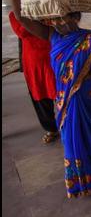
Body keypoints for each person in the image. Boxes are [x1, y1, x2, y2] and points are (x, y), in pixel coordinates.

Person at [9, 0, 91, 198]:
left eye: (67, 17)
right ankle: (85, 181)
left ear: (76, 17)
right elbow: (22, 18)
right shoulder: (53, 37)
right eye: (58, 18)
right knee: (74, 144)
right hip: (68, 106)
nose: (62, 22)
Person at [8, 11, 59, 144]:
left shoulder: (47, 7)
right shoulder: (16, 14)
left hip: (55, 55)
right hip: (34, 61)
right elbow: (21, 31)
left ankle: (71, 124)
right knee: (40, 95)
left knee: (63, 92)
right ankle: (51, 128)